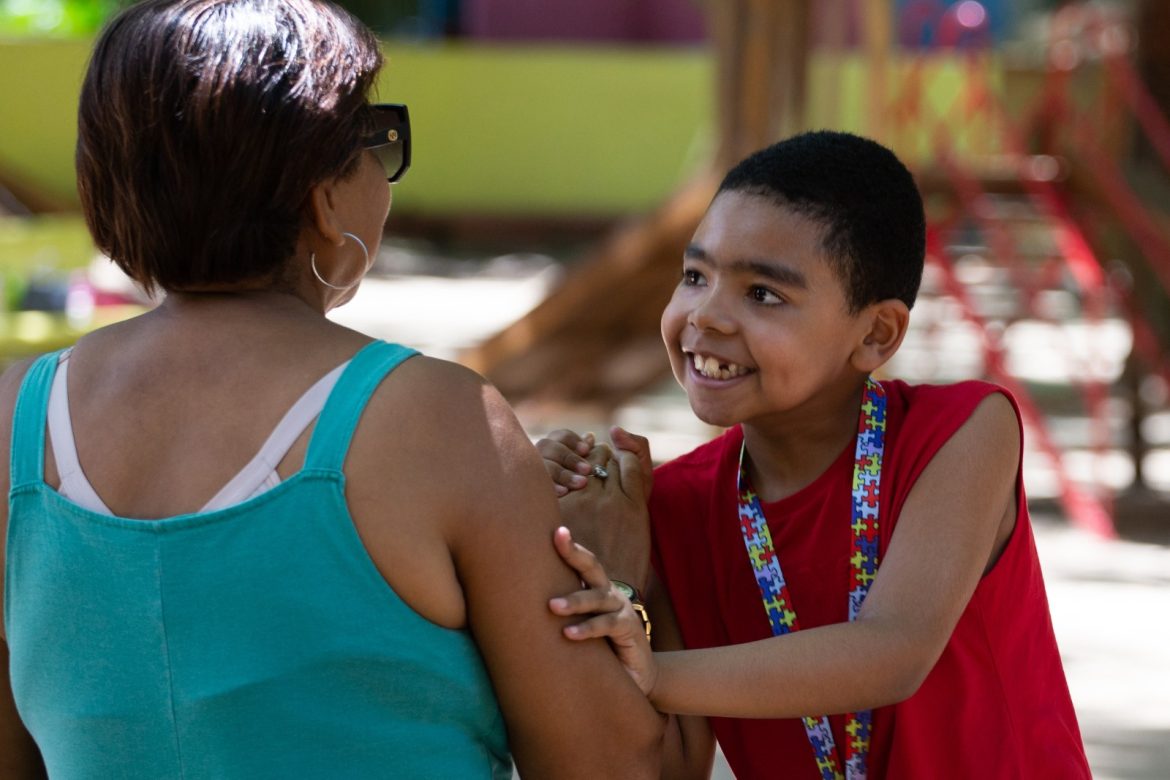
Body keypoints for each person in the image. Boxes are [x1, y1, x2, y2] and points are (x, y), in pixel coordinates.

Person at [0, 2, 664, 777]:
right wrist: (616, 579)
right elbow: (611, 762)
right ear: (322, 194)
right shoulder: (434, 419)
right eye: (376, 142)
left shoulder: (19, 415)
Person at [539, 131, 1092, 779]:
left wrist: (657, 671)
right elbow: (673, 765)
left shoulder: (960, 432)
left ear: (875, 333)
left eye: (763, 294)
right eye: (695, 275)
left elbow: (894, 650)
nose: (707, 315)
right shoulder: (676, 502)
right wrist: (615, 564)